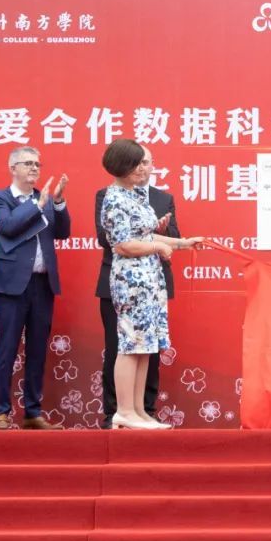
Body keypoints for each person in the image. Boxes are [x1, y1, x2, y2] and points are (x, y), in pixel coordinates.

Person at [100, 139, 203, 430]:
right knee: (130, 343)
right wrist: (158, 248)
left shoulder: (134, 195)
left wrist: (183, 243)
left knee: (145, 345)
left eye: (145, 163)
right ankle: (123, 411)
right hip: (131, 280)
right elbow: (123, 245)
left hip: (149, 279)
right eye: (137, 164)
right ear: (123, 166)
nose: (144, 168)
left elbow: (146, 235)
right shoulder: (114, 198)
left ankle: (138, 411)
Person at [0, 146, 71, 430]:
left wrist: (57, 203)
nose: (35, 168)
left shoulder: (44, 198)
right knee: (7, 349)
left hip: (42, 284)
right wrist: (37, 205)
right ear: (13, 168)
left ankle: (33, 413)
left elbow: (62, 233)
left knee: (37, 350)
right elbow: (8, 226)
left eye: (37, 164)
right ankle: (0, 413)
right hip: (11, 285)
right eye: (28, 163)